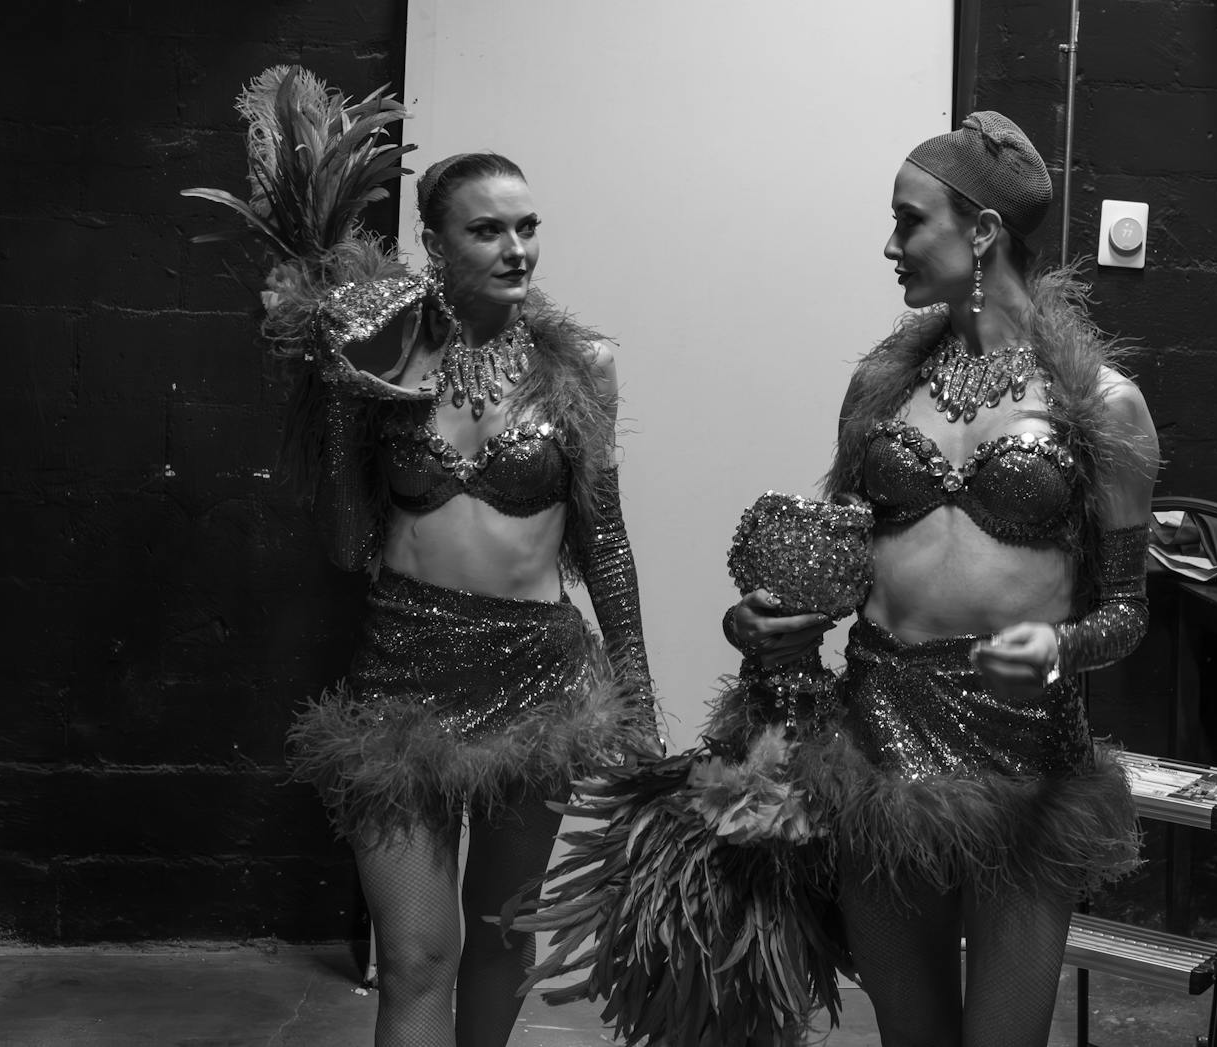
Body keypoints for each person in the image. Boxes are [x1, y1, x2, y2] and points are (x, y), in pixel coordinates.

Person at [725, 111, 1159, 1047]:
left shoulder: (1103, 403)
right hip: (879, 739)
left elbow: (1127, 613)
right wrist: (768, 620)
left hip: (1025, 759)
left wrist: (1061, 646)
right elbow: (834, 563)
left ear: (983, 231)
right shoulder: (881, 382)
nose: (891, 243)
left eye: (909, 219)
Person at [278, 151, 660, 1046]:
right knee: (415, 954)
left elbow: (601, 536)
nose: (517, 248)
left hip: (536, 680)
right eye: (488, 229)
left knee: (498, 939)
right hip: (402, 673)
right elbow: (343, 545)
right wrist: (342, 397)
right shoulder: (384, 356)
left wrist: (636, 690)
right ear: (433, 243)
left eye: (528, 227)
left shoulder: (582, 366)